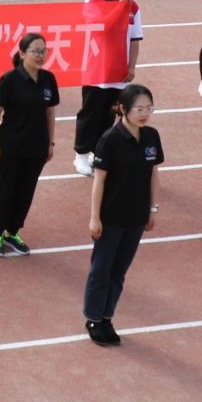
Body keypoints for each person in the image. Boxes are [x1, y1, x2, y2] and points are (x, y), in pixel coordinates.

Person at [83, 84, 163, 346]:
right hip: (111, 217)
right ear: (123, 109)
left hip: (136, 217)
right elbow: (99, 181)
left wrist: (152, 209)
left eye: (149, 108)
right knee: (101, 269)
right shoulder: (110, 139)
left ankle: (107, 317)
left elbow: (153, 174)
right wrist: (94, 217)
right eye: (139, 109)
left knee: (119, 271)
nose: (144, 114)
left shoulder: (151, 136)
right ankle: (93, 318)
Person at [69, 0, 144, 175]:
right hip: (96, 70)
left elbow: (135, 39)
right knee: (90, 113)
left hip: (119, 72)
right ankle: (81, 155)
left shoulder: (132, 6)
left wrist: (131, 67)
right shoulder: (93, 2)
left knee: (109, 115)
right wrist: (121, 8)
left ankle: (97, 152)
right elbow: (102, 28)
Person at [0, 32, 59, 257]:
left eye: (43, 51)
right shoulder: (9, 80)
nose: (40, 56)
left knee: (26, 190)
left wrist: (50, 143)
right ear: (21, 54)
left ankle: (12, 232)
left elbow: (50, 113)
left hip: (37, 147)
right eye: (35, 51)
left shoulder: (48, 79)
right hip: (11, 145)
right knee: (6, 189)